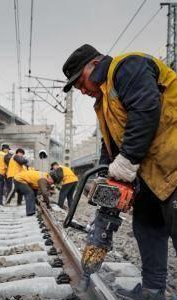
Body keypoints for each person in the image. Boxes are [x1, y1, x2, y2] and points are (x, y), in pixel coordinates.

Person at [62, 44, 177, 299]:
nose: (81, 91)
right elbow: (111, 142)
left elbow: (146, 110)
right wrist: (107, 174)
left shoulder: (127, 66)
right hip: (151, 173)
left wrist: (126, 161)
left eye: (80, 82)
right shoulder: (105, 102)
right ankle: (152, 291)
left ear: (93, 65)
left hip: (173, 164)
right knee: (146, 227)